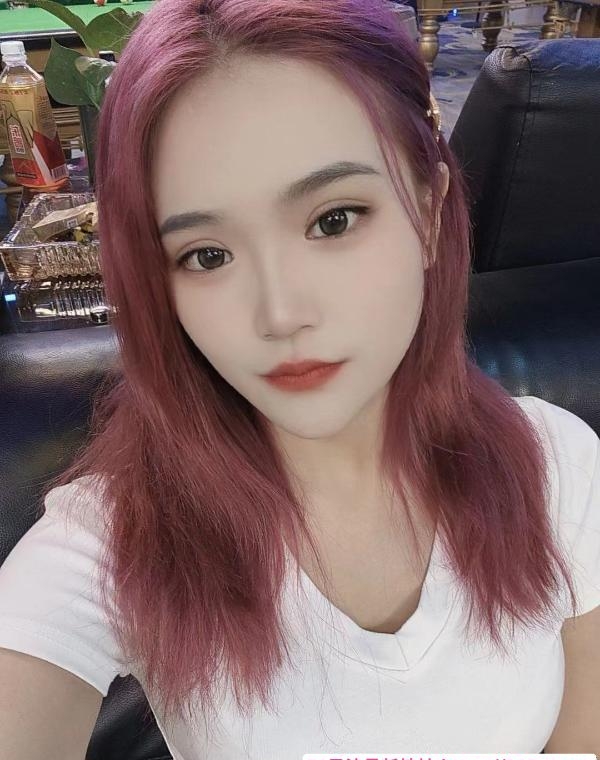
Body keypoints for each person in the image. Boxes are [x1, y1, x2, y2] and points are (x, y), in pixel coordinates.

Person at [0, 0, 599, 756]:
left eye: (334, 220)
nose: (280, 314)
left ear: (428, 210)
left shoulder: (557, 467)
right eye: (207, 256)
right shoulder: (115, 539)